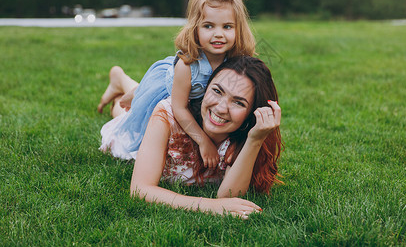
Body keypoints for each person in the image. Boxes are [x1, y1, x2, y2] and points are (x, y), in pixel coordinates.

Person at [97, 0, 255, 168]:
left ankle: (124, 84)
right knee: (132, 119)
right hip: (167, 92)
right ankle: (122, 85)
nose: (218, 34)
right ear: (195, 29)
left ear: (239, 29)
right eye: (208, 26)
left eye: (227, 27)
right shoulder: (187, 65)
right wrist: (203, 141)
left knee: (136, 99)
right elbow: (179, 109)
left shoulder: (235, 61)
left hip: (188, 96)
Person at [99, 56, 282, 219]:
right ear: (204, 89)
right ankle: (122, 81)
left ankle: (126, 85)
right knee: (125, 116)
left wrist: (255, 139)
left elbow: (229, 196)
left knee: (132, 108)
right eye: (217, 91)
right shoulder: (167, 115)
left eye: (238, 102)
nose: (220, 108)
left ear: (251, 114)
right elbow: (140, 189)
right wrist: (210, 206)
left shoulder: (242, 135)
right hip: (143, 135)